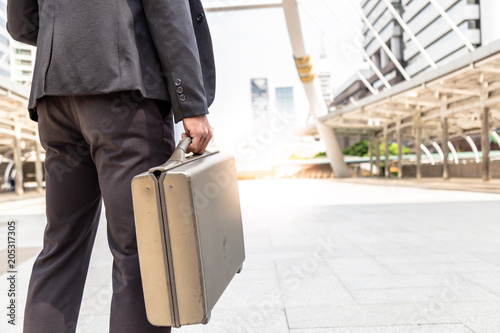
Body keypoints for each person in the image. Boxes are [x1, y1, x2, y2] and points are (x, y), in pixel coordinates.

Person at [7, 0, 215, 332]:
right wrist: (190, 100)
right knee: (141, 251)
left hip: (55, 96)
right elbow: (167, 11)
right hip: (126, 96)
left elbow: (21, 23)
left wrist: (67, 38)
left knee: (60, 245)